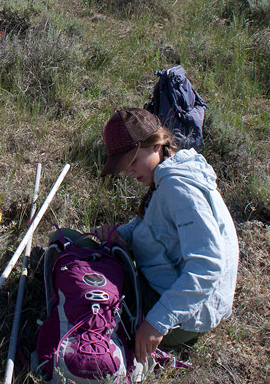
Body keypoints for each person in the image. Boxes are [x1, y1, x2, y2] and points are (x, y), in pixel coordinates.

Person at [90, 107, 237, 361]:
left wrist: (156, 323)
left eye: (132, 161)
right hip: (183, 298)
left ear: (156, 146)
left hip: (190, 314)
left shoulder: (176, 186)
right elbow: (152, 225)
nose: (129, 172)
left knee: (93, 291)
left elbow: (208, 266)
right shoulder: (169, 174)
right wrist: (118, 235)